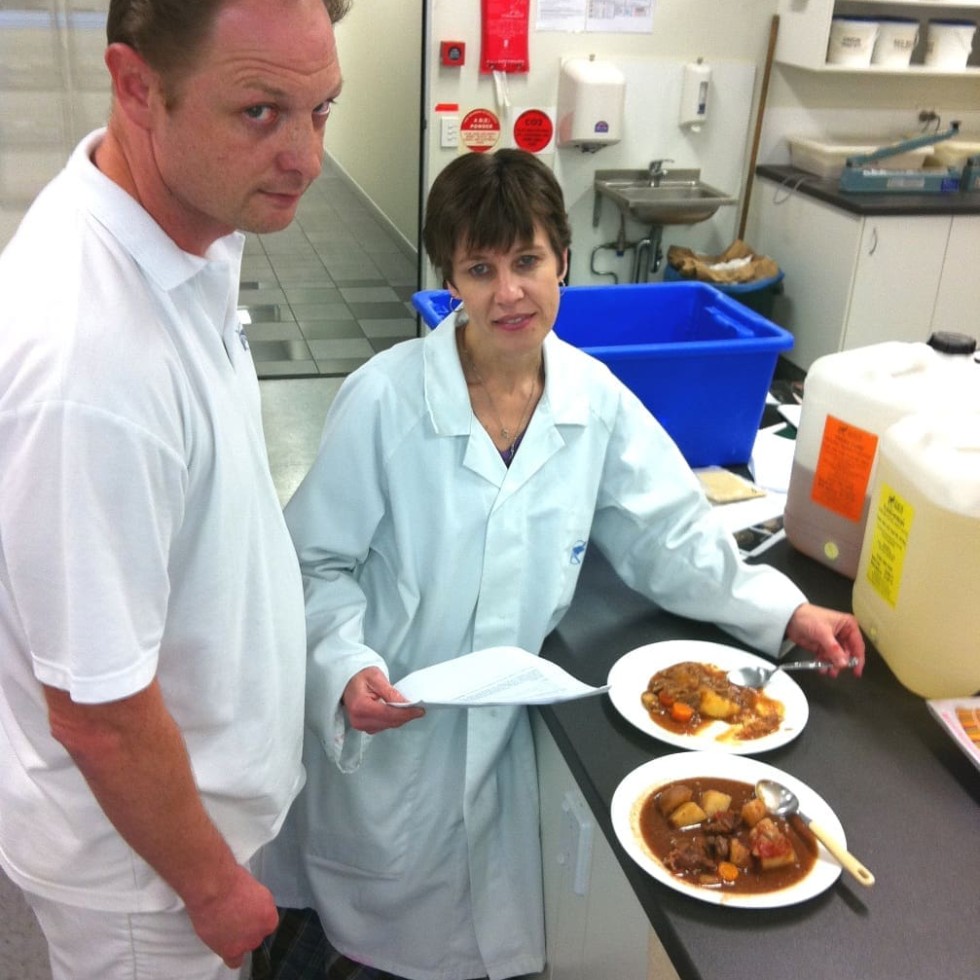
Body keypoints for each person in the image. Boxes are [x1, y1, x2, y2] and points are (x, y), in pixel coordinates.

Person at [257, 148, 866, 980]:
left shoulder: (595, 400)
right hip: (395, 712)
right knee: (370, 928)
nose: (509, 292)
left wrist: (784, 611)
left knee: (476, 928)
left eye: (528, 261)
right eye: (480, 267)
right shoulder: (384, 400)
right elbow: (311, 565)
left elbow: (670, 537)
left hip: (506, 721)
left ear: (564, 261)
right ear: (452, 279)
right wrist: (342, 665)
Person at [0, 0, 347, 977]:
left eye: (321, 110)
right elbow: (98, 713)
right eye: (260, 113)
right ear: (134, 88)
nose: (306, 157)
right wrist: (211, 883)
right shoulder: (87, 366)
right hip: (142, 885)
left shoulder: (189, 228)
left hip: (190, 820)